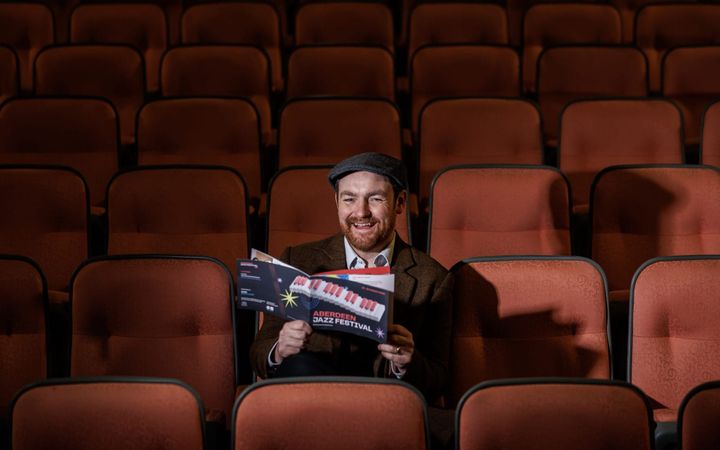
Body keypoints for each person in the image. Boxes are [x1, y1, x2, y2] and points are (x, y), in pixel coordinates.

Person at [250, 152, 453, 401]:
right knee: (298, 367)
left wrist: (407, 363)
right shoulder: (298, 260)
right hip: (314, 401)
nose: (361, 212)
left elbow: (440, 377)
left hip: (388, 408)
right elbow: (259, 351)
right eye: (349, 199)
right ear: (336, 202)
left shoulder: (433, 278)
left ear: (400, 203)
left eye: (375, 199)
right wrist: (278, 350)